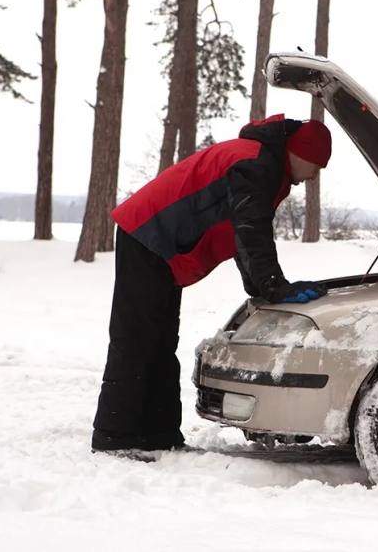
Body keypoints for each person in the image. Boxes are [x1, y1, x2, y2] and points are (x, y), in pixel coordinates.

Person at [91, 114, 332, 456]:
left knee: (160, 341)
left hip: (160, 243)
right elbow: (251, 229)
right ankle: (114, 438)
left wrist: (262, 287)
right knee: (137, 339)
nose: (314, 177)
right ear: (300, 152)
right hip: (147, 234)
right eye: (316, 166)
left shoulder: (265, 164)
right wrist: (274, 285)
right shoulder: (257, 163)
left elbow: (240, 233)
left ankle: (159, 436)